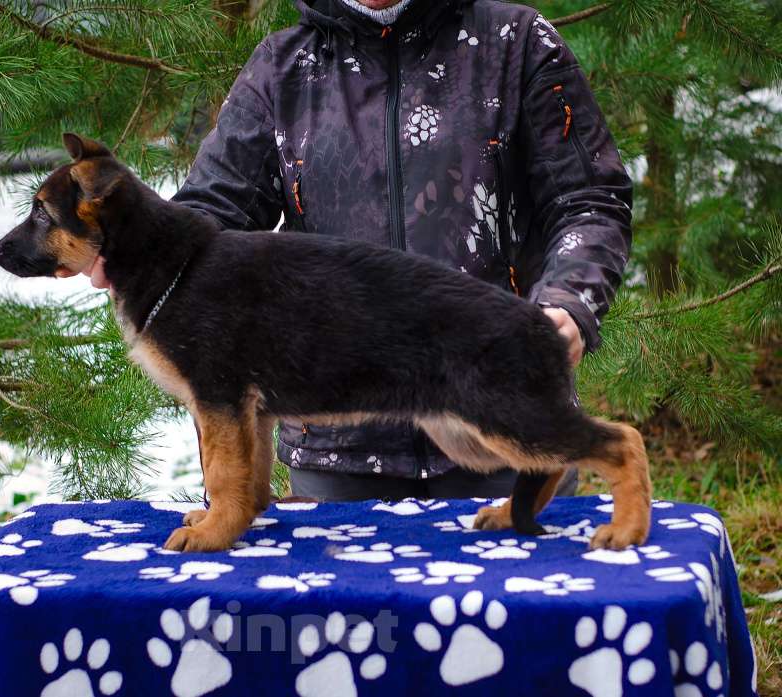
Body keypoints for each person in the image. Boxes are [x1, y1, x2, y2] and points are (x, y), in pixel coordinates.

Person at [130, 0, 633, 501]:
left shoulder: (516, 42)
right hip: (336, 451)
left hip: (502, 416)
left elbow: (589, 199)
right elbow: (210, 220)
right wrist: (133, 246)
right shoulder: (280, 68)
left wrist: (570, 299)